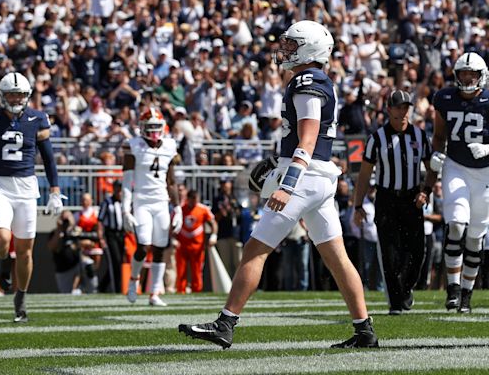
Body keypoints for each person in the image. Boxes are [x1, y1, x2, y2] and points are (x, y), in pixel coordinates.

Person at [179, 21, 378, 349]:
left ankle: (226, 323)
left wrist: (288, 182)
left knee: (255, 250)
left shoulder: (308, 79)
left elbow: (309, 136)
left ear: (310, 48)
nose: (286, 50)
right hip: (319, 177)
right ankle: (364, 330)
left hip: (304, 176)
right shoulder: (317, 79)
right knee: (337, 257)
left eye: (293, 45)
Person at [0, 72, 65, 322]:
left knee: (26, 251)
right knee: (2, 240)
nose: (16, 98)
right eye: (11, 94)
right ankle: (5, 261)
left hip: (27, 187)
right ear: (1, 95)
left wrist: (55, 189)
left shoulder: (37, 118)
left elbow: (48, 157)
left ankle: (21, 297)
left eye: (20, 94)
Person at [353, 89, 434, 315]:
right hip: (387, 198)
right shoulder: (376, 139)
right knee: (389, 253)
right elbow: (364, 175)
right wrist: (357, 206)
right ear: (389, 109)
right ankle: (396, 302)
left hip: (411, 199)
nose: (403, 111)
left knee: (417, 252)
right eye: (399, 107)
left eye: (406, 107)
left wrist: (425, 191)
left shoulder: (420, 137)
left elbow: (431, 170)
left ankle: (406, 288)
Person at [429, 52, 489, 313]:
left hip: (485, 173)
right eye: (462, 73)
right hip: (457, 167)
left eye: (471, 74)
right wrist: (435, 158)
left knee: (475, 238)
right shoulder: (444, 98)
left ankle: (466, 293)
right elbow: (439, 136)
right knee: (455, 225)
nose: (466, 78)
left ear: (481, 76)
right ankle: (452, 289)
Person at [123, 107, 182, 307]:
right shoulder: (133, 146)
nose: (154, 132)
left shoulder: (169, 146)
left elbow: (171, 181)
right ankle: (133, 280)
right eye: (150, 127)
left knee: (160, 247)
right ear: (141, 128)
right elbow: (126, 181)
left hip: (161, 202)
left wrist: (178, 208)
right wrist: (125, 208)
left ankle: (154, 293)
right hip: (142, 201)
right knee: (143, 245)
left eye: (157, 127)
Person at [175, 189, 218, 293]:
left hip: (197, 246)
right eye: (192, 199)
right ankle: (181, 290)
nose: (194, 202)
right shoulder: (181, 209)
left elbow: (213, 223)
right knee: (181, 270)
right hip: (182, 245)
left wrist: (214, 235)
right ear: (188, 199)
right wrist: (173, 238)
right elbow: (173, 224)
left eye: (196, 200)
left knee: (197, 271)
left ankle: (197, 291)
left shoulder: (202, 209)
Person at [97, 180, 124, 293]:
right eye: (117, 188)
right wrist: (101, 237)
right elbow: (100, 220)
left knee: (119, 262)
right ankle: (116, 289)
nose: (119, 191)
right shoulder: (107, 202)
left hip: (122, 234)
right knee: (115, 261)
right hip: (111, 234)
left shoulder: (125, 202)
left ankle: (102, 287)